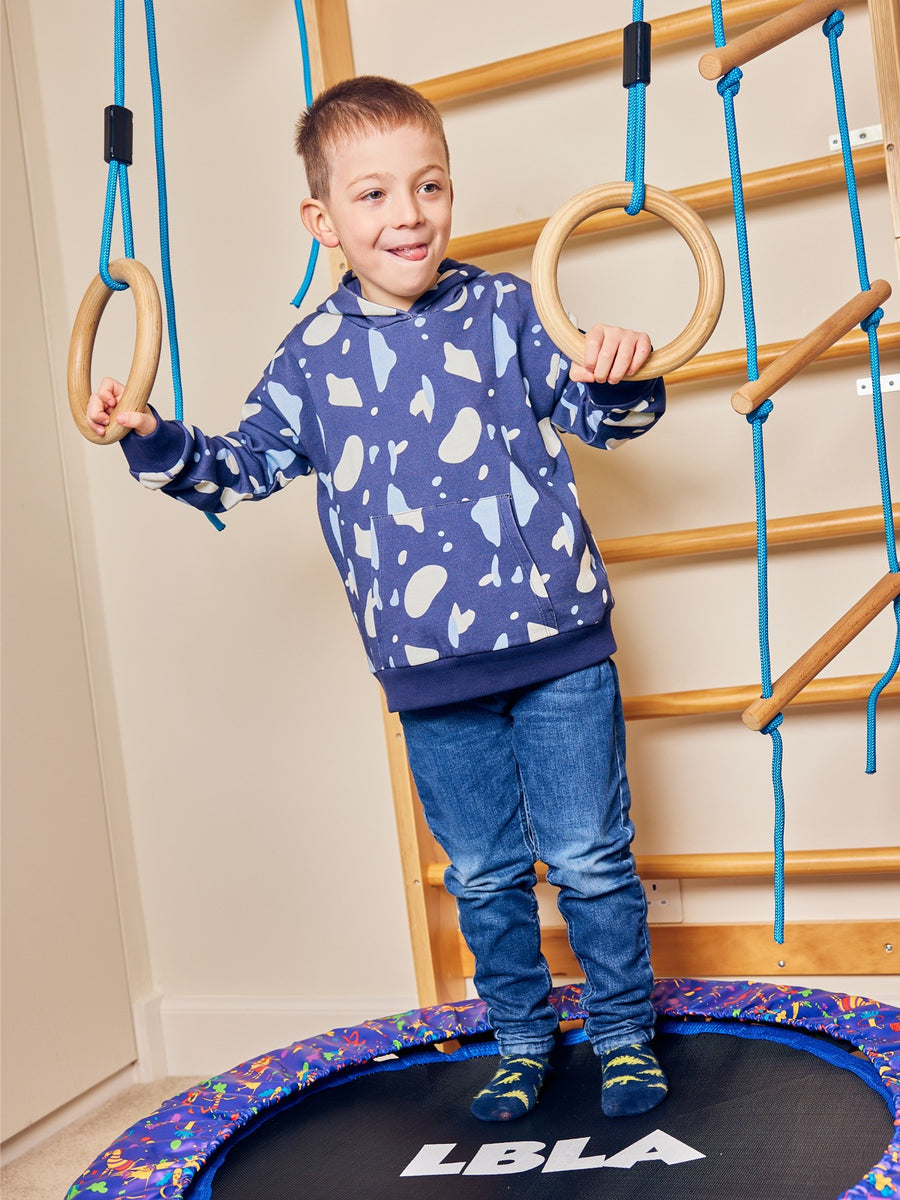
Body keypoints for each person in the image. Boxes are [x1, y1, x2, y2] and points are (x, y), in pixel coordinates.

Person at [88, 75, 668, 1123]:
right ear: (322, 219)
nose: (408, 215)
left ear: (451, 190)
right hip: (427, 672)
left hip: (561, 647)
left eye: (429, 185)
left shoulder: (506, 310)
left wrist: (623, 371)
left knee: (588, 858)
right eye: (372, 196)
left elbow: (604, 417)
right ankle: (524, 1040)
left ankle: (625, 1033)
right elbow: (240, 467)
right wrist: (153, 437)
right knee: (485, 875)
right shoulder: (312, 359)